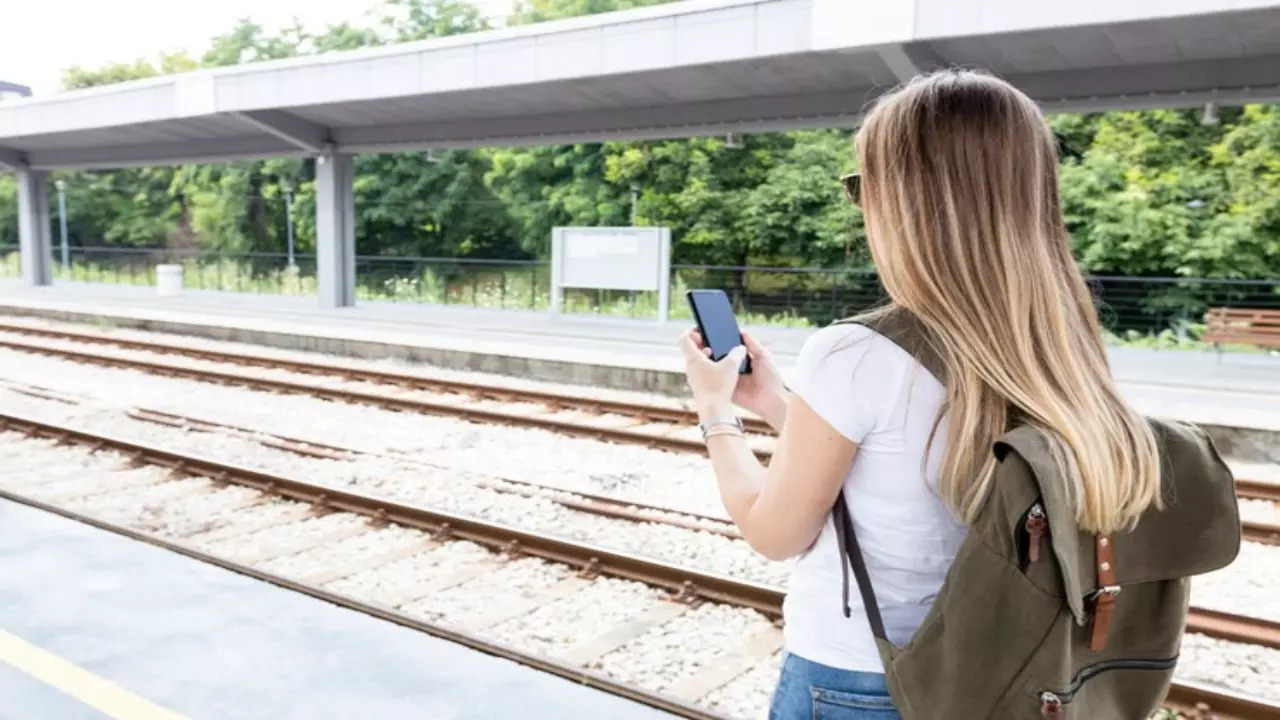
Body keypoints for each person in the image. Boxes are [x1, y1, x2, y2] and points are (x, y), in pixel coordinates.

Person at [678, 69, 1163, 720]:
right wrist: (773, 404)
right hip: (1008, 677)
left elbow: (774, 532)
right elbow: (907, 458)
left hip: (865, 682)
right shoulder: (1059, 341)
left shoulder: (855, 353)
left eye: (862, 187)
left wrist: (715, 413)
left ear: (902, 203)